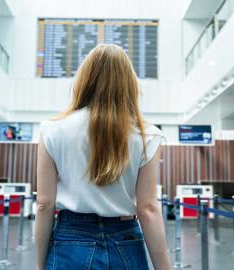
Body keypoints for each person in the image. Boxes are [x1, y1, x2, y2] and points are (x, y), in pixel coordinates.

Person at [35, 44, 171, 270]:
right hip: (125, 241)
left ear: (84, 79)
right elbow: (147, 209)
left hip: (70, 241)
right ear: (129, 83)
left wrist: (40, 265)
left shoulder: (52, 129)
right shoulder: (147, 135)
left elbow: (44, 203)